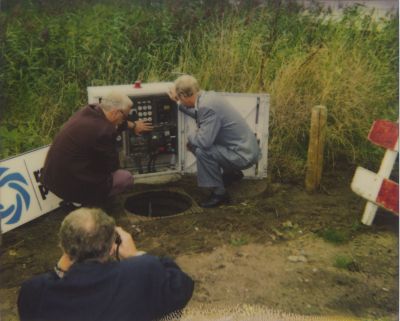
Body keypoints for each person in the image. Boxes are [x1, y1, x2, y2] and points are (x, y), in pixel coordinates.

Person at [17, 207, 194, 321]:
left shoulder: (33, 290)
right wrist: (134, 254)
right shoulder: (141, 271)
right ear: (111, 247)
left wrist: (61, 267)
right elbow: (183, 287)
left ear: (62, 244)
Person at [42, 91, 153, 206]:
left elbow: (113, 123)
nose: (124, 120)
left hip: (51, 179)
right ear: (115, 112)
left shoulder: (87, 111)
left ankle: (79, 199)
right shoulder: (105, 131)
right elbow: (112, 167)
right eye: (125, 116)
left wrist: (134, 125)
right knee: (125, 178)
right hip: (70, 187)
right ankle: (88, 202)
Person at [169, 75, 261, 208]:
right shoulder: (209, 97)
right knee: (200, 146)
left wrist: (189, 135)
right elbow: (200, 114)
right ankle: (231, 173)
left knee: (201, 150)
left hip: (242, 156)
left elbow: (204, 142)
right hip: (245, 149)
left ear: (183, 96)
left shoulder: (206, 108)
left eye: (179, 97)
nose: (179, 100)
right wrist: (179, 104)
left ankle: (220, 193)